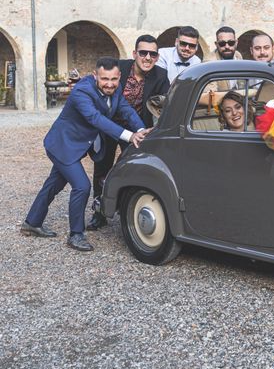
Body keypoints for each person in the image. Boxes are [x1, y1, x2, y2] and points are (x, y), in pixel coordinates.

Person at [22, 57, 149, 252]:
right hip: (62, 145)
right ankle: (76, 235)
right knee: (82, 186)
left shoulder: (115, 89)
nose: (110, 84)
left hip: (78, 145)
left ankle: (32, 222)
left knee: (54, 183)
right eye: (104, 79)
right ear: (95, 75)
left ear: (119, 76)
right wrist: (130, 136)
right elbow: (95, 118)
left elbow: (126, 110)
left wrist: (141, 130)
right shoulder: (81, 91)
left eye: (114, 79)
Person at [87, 34, 170, 230]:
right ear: (134, 54)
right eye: (143, 53)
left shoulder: (160, 75)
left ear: (157, 57)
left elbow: (165, 104)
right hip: (108, 125)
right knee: (101, 166)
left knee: (129, 165)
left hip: (136, 129)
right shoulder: (119, 68)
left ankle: (124, 205)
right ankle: (99, 212)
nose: (148, 57)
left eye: (153, 54)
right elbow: (97, 84)